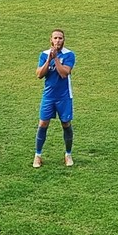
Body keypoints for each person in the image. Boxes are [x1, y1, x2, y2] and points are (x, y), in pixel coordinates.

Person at [33, 29, 75, 168]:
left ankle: (68, 154)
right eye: (55, 38)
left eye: (60, 38)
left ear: (64, 40)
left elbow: (64, 73)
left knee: (66, 124)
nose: (58, 40)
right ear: (51, 40)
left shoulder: (69, 55)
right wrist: (48, 60)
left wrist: (56, 59)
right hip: (49, 96)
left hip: (64, 96)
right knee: (43, 124)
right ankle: (38, 156)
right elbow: (39, 74)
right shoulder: (44, 55)